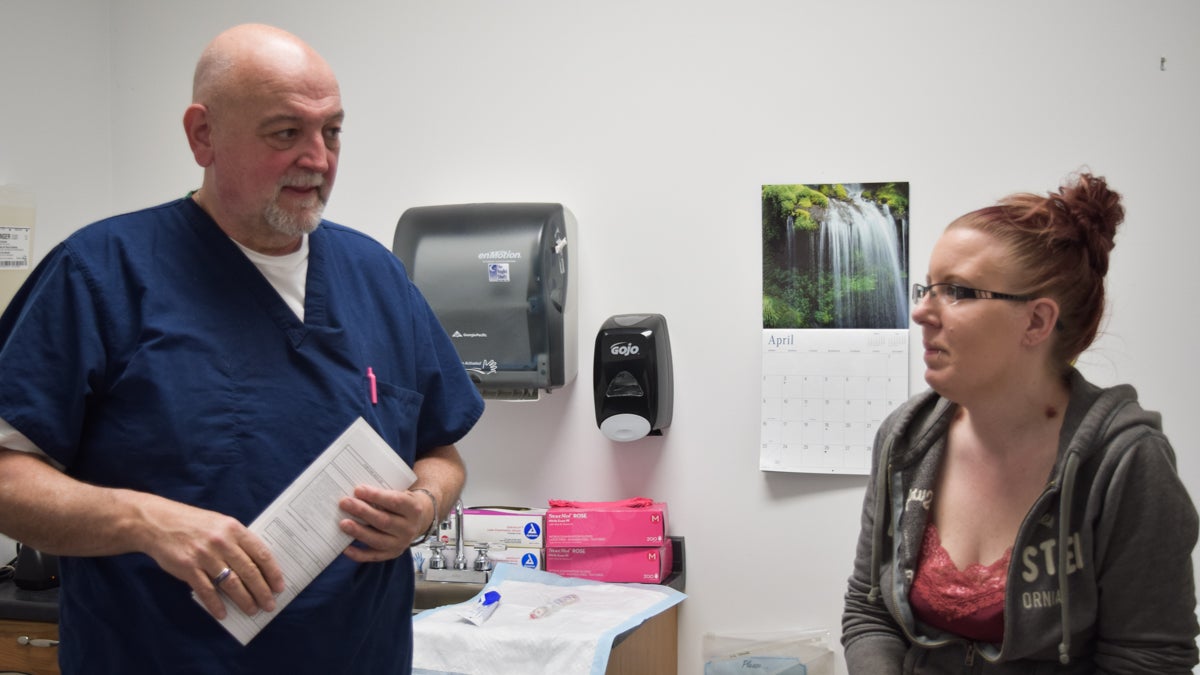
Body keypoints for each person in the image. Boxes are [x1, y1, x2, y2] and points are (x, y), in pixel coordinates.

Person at [0, 23, 483, 673]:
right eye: (286, 133)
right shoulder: (100, 274)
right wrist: (146, 521)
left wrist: (422, 506)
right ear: (203, 135)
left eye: (332, 131)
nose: (317, 158)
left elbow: (440, 451)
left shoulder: (378, 277)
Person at [842, 172, 1199, 673]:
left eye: (957, 291)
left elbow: (1150, 658)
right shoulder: (905, 438)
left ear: (1036, 321)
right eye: (926, 288)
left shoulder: (1124, 462)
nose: (921, 311)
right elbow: (869, 611)